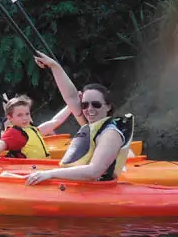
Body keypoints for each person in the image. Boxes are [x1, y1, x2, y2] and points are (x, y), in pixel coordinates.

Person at [22, 51, 134, 185]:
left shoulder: (110, 134)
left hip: (95, 191)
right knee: (9, 176)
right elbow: (71, 97)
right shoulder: (90, 124)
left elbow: (94, 172)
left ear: (108, 106)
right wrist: (53, 65)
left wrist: (50, 173)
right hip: (75, 184)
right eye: (85, 105)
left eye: (96, 104)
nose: (89, 109)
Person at [0, 96, 76, 168]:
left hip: (41, 168)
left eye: (27, 114)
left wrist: (71, 105)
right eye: (20, 115)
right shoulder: (14, 133)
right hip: (29, 170)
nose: (25, 118)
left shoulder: (31, 129)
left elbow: (55, 121)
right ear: (10, 118)